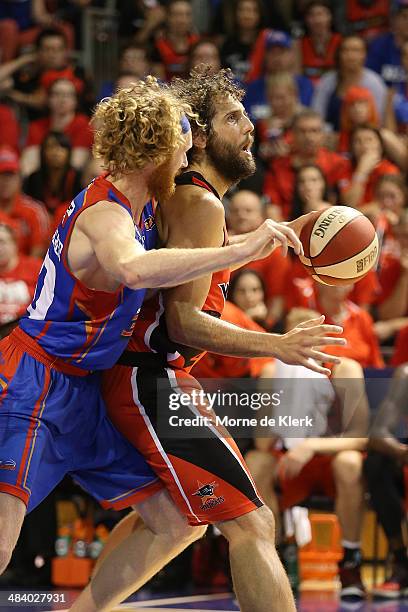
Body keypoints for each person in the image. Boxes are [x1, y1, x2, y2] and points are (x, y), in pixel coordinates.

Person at [70, 68, 346, 612]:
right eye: (233, 118)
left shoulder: (193, 200)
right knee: (252, 522)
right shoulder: (200, 202)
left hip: (145, 376)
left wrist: (254, 243)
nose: (249, 127)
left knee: (176, 524)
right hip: (149, 379)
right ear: (198, 136)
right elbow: (183, 322)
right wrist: (279, 344)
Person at [0, 77, 290, 582]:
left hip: (86, 387)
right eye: (181, 151)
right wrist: (241, 251)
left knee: (177, 521)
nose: (185, 165)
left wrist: (254, 238)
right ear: (159, 151)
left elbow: (180, 259)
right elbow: (134, 269)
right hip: (34, 381)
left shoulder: (145, 208)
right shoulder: (107, 213)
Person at [365, 364, 408, 598]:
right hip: (403, 460)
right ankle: (401, 562)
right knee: (376, 464)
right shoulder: (406, 375)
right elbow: (378, 434)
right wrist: (403, 453)